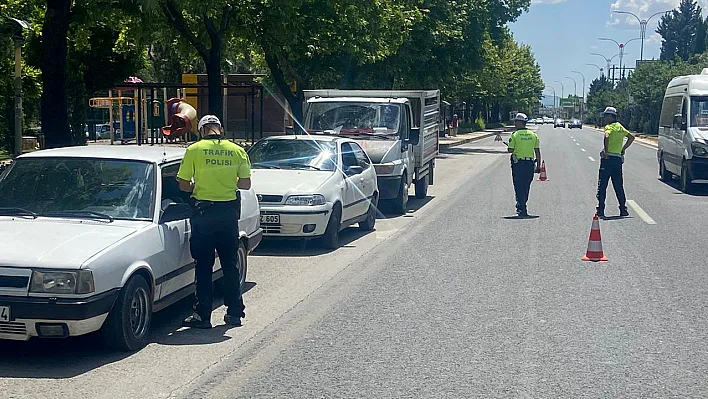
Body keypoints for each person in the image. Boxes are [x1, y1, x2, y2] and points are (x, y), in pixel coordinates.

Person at [177, 115, 252, 329]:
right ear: (220, 128)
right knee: (230, 264)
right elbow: (245, 184)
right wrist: (226, 183)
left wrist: (200, 186)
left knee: (203, 266)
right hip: (228, 214)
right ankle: (235, 313)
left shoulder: (194, 150)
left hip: (204, 214)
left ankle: (203, 315)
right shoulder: (237, 150)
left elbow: (183, 185)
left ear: (202, 130)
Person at [596, 106, 635, 218]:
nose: (604, 118)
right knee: (618, 185)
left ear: (610, 116)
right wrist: (623, 149)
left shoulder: (609, 127)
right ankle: (623, 209)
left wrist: (606, 151)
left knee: (602, 185)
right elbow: (631, 137)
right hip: (617, 159)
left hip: (607, 160)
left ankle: (601, 209)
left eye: (606, 116)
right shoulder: (620, 127)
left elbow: (606, 136)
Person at [507, 113, 542, 218]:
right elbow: (537, 152)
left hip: (518, 164)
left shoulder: (515, 135)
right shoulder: (533, 135)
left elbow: (510, 150)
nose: (514, 123)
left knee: (518, 186)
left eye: (515, 121)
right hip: (530, 164)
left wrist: (509, 147)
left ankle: (521, 206)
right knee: (526, 186)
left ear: (519, 122)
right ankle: (522, 204)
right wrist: (538, 166)